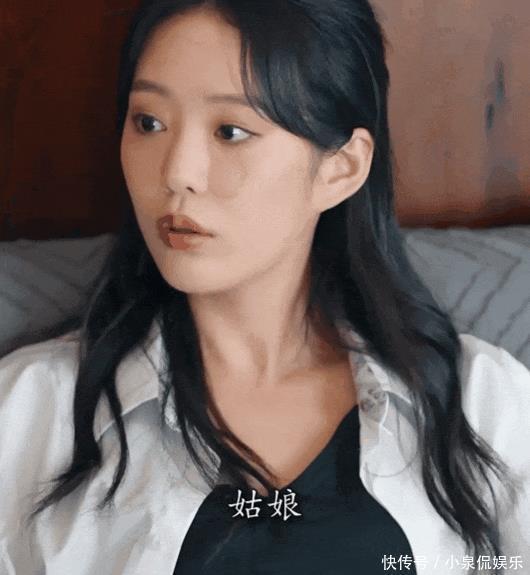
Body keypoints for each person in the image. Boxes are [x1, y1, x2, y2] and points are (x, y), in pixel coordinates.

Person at [0, 1, 529, 574]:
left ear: (341, 169)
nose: (177, 172)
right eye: (148, 122)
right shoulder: (31, 409)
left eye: (231, 131)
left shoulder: (484, 403)